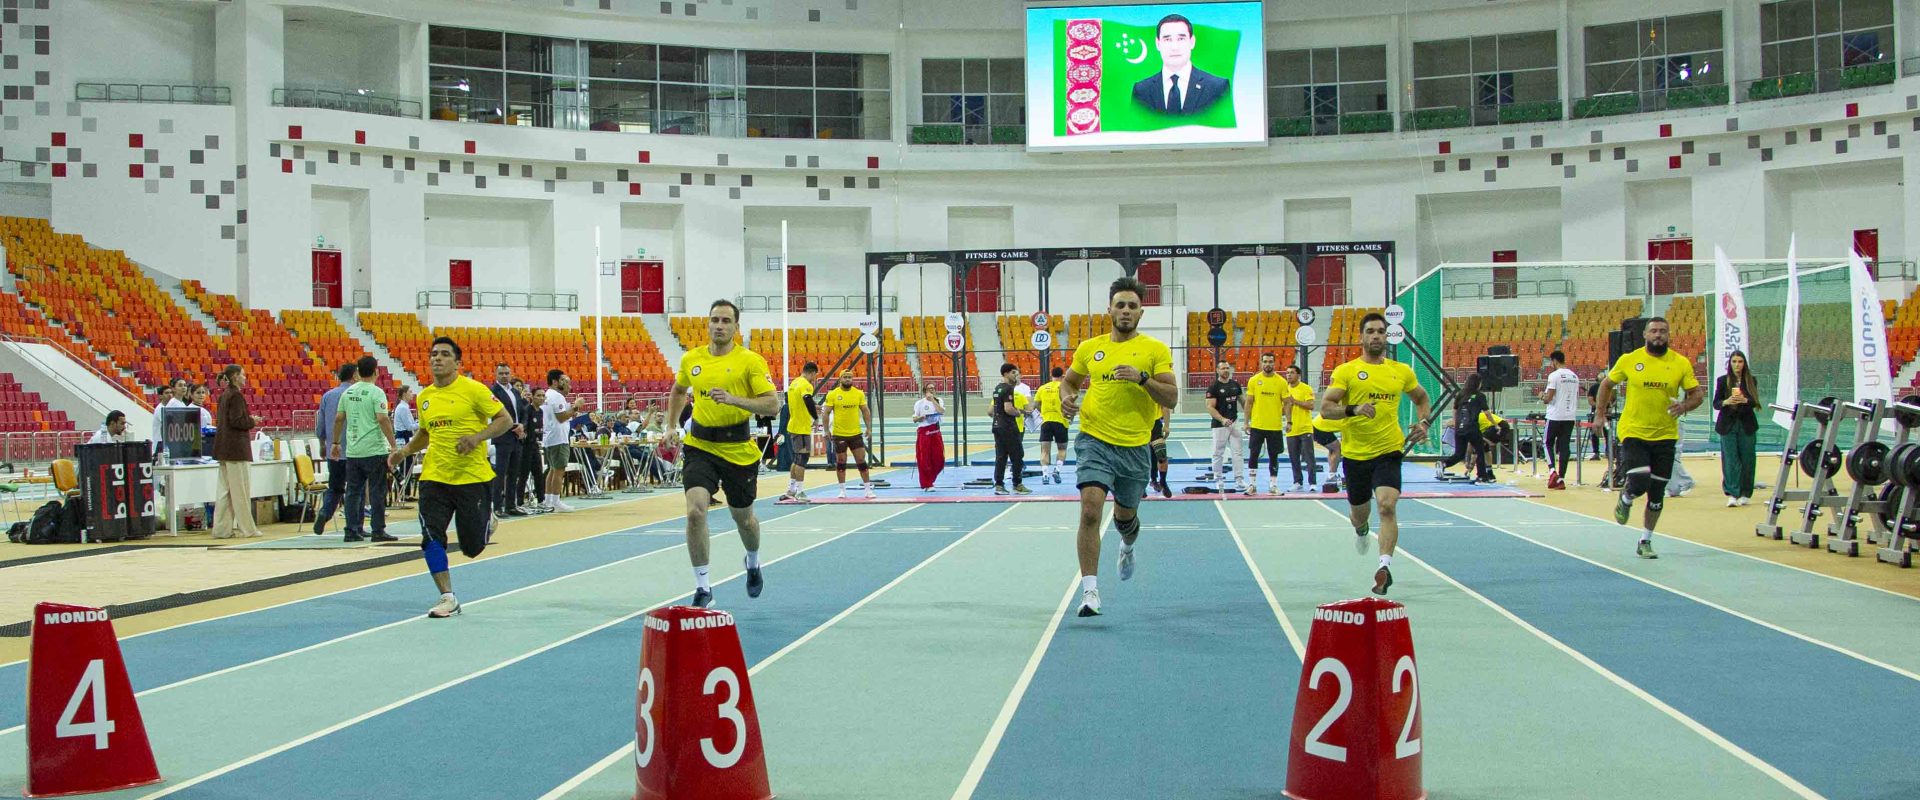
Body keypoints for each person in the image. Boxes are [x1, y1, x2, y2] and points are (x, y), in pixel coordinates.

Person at [1059, 277, 1177, 617]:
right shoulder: (1089, 347)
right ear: (1109, 309)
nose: (1125, 311)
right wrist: (1068, 399)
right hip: (1094, 439)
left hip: (1135, 446)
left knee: (1126, 517)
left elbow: (1171, 396)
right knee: (1090, 510)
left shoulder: (1155, 350)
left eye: (1132, 306)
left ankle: (1126, 545)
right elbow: (1069, 381)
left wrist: (1142, 379)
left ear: (1141, 313)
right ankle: (1090, 592)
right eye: (1120, 305)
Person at [386, 337, 515, 618]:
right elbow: (425, 433)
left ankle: (487, 521)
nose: (437, 359)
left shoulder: (474, 390)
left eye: (444, 355)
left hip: (472, 477)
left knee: (471, 548)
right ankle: (447, 596)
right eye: (433, 354)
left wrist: (476, 438)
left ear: (457, 363)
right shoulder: (425, 397)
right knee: (431, 536)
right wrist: (403, 451)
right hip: (435, 477)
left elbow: (505, 420)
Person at [664, 299, 780, 609]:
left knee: (744, 520)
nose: (719, 325)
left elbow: (773, 404)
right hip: (700, 446)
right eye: (714, 319)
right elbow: (678, 390)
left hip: (738, 450)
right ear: (707, 324)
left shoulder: (750, 361)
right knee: (695, 511)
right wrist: (670, 425)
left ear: (736, 327)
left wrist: (733, 399)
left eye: (726, 321)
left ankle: (753, 562)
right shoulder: (692, 359)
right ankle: (703, 586)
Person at [1321, 312, 1433, 596]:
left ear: (1386, 336)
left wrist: (1424, 423)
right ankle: (1361, 530)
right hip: (1356, 454)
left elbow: (1421, 398)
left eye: (1380, 331)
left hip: (1389, 450)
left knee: (1386, 505)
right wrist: (1353, 409)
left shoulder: (1400, 371)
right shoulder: (1346, 371)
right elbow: (1325, 408)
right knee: (1360, 515)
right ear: (1361, 337)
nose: (1376, 336)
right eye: (1370, 331)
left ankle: (1384, 566)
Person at [1595, 316, 1704, 559]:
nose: (1658, 335)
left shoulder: (1680, 363)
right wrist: (1600, 415)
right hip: (1634, 431)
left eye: (1663, 331)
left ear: (1668, 335)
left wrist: (1684, 406)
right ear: (1645, 335)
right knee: (1640, 481)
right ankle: (1626, 497)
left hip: (1665, 435)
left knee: (1656, 495)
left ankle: (1645, 540)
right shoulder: (1630, 360)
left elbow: (1697, 394)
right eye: (1654, 331)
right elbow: (1606, 385)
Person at [331, 355, 399, 543]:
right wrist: (393, 445)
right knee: (377, 491)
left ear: (358, 372)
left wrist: (336, 443)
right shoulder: (376, 393)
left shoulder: (348, 393)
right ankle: (378, 529)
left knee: (353, 491)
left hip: (353, 450)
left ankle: (352, 530)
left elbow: (338, 418)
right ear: (376, 371)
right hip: (374, 449)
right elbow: (383, 419)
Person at [1128, 14, 1229, 115]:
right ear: (1158, 44)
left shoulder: (1217, 87)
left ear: (1192, 42)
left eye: (1181, 39)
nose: (1174, 47)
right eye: (1167, 39)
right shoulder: (1142, 90)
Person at [209, 365, 265, 539]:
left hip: (224, 449)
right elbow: (237, 421)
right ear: (234, 376)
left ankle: (221, 529)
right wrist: (252, 420)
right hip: (236, 449)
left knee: (225, 491)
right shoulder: (236, 395)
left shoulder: (225, 395)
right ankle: (248, 529)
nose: (245, 377)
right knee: (240, 491)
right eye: (242, 375)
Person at [310, 363, 356, 534]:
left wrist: (322, 444)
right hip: (353, 449)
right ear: (354, 376)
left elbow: (321, 423)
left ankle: (325, 512)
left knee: (335, 487)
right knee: (354, 489)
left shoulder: (328, 396)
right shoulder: (355, 394)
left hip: (333, 450)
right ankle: (354, 526)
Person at [1713, 349, 1760, 507]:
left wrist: (1745, 400)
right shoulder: (1722, 381)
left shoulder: (1751, 380)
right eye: (1734, 361)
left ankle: (1746, 492)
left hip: (1746, 424)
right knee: (1730, 459)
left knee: (1748, 459)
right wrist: (1727, 401)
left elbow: (1755, 402)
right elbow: (1716, 403)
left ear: (1744, 363)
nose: (1737, 365)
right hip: (1728, 425)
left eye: (1740, 361)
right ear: (1730, 363)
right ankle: (1732, 493)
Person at [823, 369, 876, 499]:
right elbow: (826, 413)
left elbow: (865, 410)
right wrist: (826, 430)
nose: (848, 379)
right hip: (839, 434)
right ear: (840, 379)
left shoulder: (858, 394)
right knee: (841, 461)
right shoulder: (833, 394)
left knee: (861, 460)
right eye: (845, 377)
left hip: (855, 434)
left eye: (850, 377)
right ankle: (842, 490)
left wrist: (869, 428)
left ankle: (868, 490)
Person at [489, 363, 529, 518]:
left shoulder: (515, 392)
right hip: (503, 436)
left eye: (507, 373)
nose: (505, 376)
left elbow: (523, 412)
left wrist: (522, 426)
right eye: (502, 373)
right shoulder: (493, 392)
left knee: (514, 473)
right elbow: (495, 414)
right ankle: (497, 506)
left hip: (516, 438)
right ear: (496, 374)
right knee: (500, 473)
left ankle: (511, 505)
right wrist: (514, 426)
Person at [541, 369, 584, 513]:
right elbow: (561, 417)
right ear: (555, 381)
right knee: (559, 470)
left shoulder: (549, 395)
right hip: (558, 437)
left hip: (551, 436)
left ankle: (548, 500)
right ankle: (556, 501)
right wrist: (576, 406)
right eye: (562, 381)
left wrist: (571, 410)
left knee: (553, 470)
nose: (565, 384)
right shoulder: (556, 396)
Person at [1438, 373, 1494, 483]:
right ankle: (1482, 476)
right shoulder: (1480, 396)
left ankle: (1444, 463)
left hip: (1460, 429)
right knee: (1480, 451)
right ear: (1478, 383)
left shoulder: (1461, 394)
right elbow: (1487, 413)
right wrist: (1494, 424)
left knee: (1459, 454)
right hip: (1472, 428)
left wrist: (1455, 421)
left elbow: (1454, 409)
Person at [1245, 353, 1287, 494]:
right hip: (1257, 425)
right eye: (1265, 361)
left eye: (1270, 361)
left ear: (1274, 363)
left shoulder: (1281, 382)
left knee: (1274, 455)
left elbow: (1287, 403)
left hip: (1274, 426)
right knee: (1254, 454)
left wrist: (1289, 421)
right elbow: (1249, 402)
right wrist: (1246, 422)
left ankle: (1273, 485)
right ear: (1261, 363)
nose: (1267, 364)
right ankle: (1252, 485)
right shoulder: (1254, 380)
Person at [1204, 360, 1246, 494]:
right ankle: (1218, 479)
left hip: (1234, 422)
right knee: (1218, 452)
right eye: (1223, 368)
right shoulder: (1213, 387)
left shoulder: (1235, 385)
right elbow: (1210, 407)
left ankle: (1239, 479)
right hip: (1219, 425)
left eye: (1227, 368)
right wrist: (1222, 420)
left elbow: (1243, 402)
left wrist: (1249, 418)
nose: (1226, 370)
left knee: (1238, 452)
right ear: (1217, 370)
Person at [1540, 350, 1580, 490]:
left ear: (1555, 361)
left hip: (1555, 416)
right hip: (1569, 416)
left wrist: (1541, 396)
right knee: (1564, 446)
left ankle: (1552, 471)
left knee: (1547, 443)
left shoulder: (1554, 376)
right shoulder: (1574, 376)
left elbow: (1548, 398)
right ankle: (1561, 478)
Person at [991, 363, 1031, 496]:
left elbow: (993, 410)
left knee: (1001, 456)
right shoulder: (1008, 389)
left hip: (997, 426)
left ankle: (999, 485)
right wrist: (1019, 412)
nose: (1016, 376)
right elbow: (1008, 409)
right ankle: (1017, 484)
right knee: (1018, 455)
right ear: (1006, 374)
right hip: (1008, 427)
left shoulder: (997, 388)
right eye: (1014, 373)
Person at [782, 362, 820, 503]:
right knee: (802, 460)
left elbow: (797, 402)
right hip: (801, 427)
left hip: (794, 425)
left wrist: (812, 407)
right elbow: (806, 399)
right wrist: (815, 417)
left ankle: (791, 490)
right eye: (815, 376)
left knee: (797, 459)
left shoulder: (794, 383)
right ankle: (800, 491)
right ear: (811, 373)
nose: (814, 379)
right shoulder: (805, 385)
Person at [1283, 365, 1319, 492]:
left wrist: (1295, 401)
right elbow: (1283, 409)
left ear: (1298, 375)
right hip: (1291, 429)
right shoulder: (1285, 389)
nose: (1289, 375)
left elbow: (1310, 405)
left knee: (1309, 457)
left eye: (1292, 373)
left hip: (1305, 428)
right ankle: (1297, 481)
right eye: (1287, 373)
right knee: (1293, 457)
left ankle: (1313, 482)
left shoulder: (1305, 388)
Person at [1035, 367, 1071, 485]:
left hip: (1046, 422)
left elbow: (1036, 405)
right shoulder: (1065, 388)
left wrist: (1043, 413)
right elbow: (1070, 405)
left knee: (1045, 451)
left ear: (1051, 375)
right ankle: (1057, 470)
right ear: (1062, 376)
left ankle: (1045, 475)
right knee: (1062, 449)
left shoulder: (1042, 388)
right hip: (1061, 422)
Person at [913, 384, 946, 491]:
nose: (932, 390)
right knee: (924, 459)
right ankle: (927, 483)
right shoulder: (920, 403)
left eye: (933, 388)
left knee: (939, 459)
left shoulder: (938, 400)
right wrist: (920, 418)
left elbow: (941, 411)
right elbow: (914, 418)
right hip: (924, 432)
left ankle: (930, 478)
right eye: (929, 388)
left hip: (935, 431)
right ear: (925, 390)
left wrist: (933, 400)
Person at [150, 377, 189, 450]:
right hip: (169, 444)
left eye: (185, 385)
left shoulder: (181, 403)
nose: (183, 387)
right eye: (180, 385)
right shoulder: (172, 404)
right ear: (174, 389)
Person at [1149, 405, 1173, 498]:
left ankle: (1163, 481)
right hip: (1140, 424)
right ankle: (1150, 482)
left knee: (1161, 454)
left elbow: (1165, 406)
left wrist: (1166, 426)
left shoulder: (1156, 391)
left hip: (1155, 424)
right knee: (1140, 457)